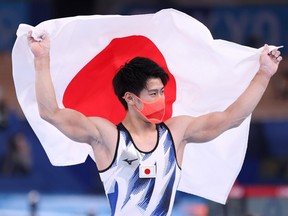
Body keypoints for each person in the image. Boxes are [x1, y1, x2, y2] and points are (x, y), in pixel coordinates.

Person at [27, 31, 282, 215]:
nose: (161, 99)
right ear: (129, 98)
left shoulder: (177, 132)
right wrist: (42, 59)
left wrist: (264, 73)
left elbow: (230, 119)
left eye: (162, 92)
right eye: (153, 93)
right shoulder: (107, 136)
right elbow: (51, 113)